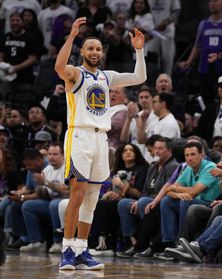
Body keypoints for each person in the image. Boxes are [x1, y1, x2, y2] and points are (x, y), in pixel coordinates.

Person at [54, 17, 146, 270]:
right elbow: (59, 67)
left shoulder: (107, 77)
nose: (94, 52)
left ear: (101, 52)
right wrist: (72, 36)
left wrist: (138, 49)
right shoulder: (75, 74)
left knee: (93, 198)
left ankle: (83, 250)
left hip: (100, 139)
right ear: (82, 52)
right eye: (90, 48)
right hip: (79, 136)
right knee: (78, 194)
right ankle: (67, 250)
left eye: (97, 48)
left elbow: (139, 76)